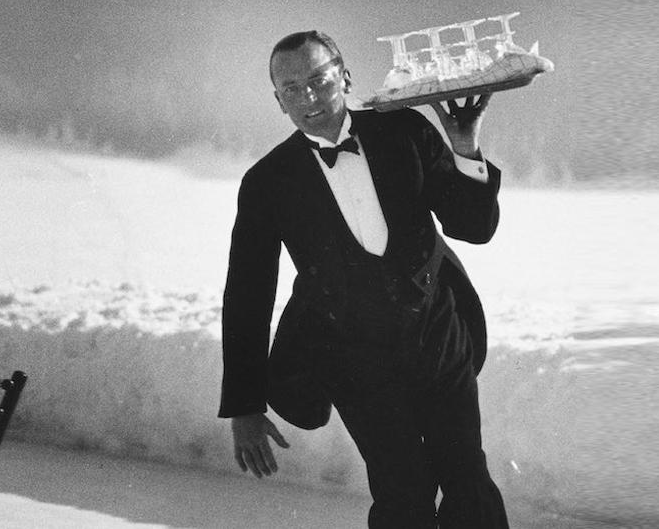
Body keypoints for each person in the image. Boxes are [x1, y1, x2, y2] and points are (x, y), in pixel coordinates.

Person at [218, 30, 509, 528]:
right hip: (352, 357)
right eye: (292, 88)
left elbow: (473, 228)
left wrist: (465, 148)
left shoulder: (404, 130)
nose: (308, 97)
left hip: (438, 333)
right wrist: (244, 406)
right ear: (278, 100)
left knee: (467, 477)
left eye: (319, 79)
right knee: (402, 493)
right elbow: (248, 292)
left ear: (346, 77)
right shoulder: (267, 182)